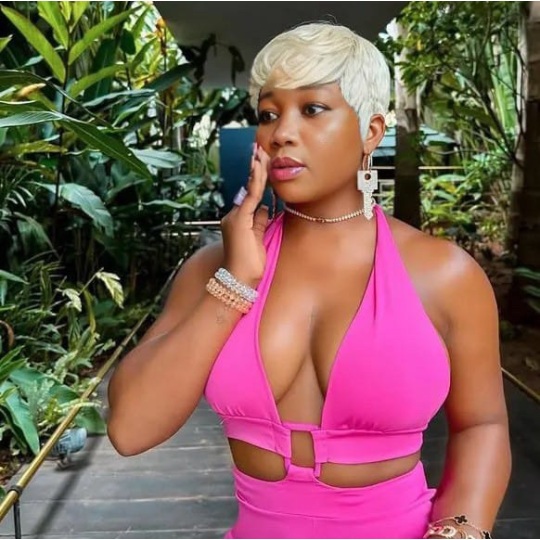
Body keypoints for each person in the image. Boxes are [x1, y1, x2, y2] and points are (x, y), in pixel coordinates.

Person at [107, 22, 511, 539]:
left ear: (371, 131)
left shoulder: (445, 274)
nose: (282, 132)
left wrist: (460, 532)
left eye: (313, 108)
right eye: (269, 114)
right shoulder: (214, 270)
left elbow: (482, 424)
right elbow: (130, 429)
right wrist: (235, 284)